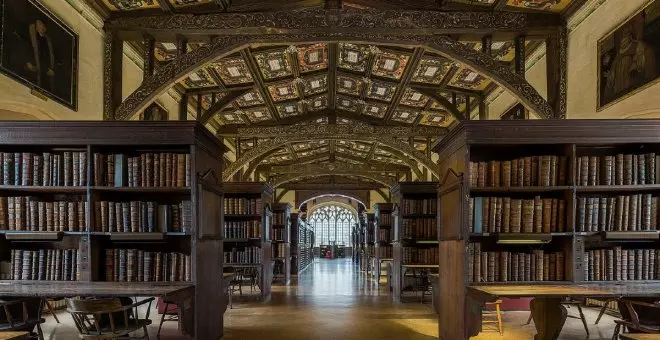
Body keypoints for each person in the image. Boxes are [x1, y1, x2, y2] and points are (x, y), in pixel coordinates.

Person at [25, 19, 55, 92]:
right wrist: (29, 63)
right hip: (34, 69)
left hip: (45, 71)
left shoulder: (48, 41)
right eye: (38, 24)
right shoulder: (32, 37)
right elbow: (29, 50)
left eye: (41, 24)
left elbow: (49, 56)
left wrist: (51, 70)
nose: (40, 26)